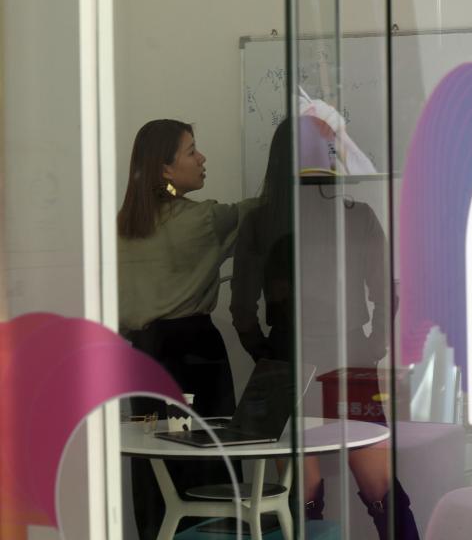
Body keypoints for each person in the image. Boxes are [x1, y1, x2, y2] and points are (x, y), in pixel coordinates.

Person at [230, 117, 420, 540]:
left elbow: (242, 309)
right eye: (332, 147)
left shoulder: (259, 222)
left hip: (288, 359)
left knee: (301, 496)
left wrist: (266, 354)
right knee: (381, 489)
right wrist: (372, 346)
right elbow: (387, 293)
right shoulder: (358, 217)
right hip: (347, 355)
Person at [118, 119, 253, 539]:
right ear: (165, 168)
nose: (202, 158)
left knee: (153, 467)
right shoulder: (203, 220)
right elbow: (261, 210)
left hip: (142, 360)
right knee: (209, 466)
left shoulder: (119, 226)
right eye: (192, 151)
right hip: (195, 354)